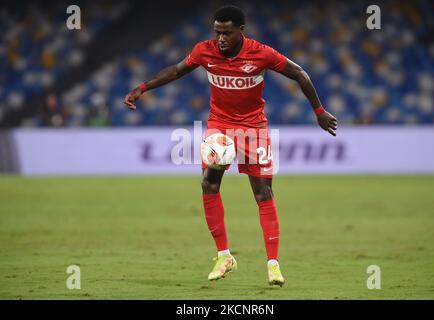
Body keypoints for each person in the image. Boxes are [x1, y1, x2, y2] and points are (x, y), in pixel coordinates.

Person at [124, 5, 337, 287]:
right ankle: (224, 256)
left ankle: (273, 264)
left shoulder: (262, 53)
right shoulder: (204, 50)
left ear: (241, 31)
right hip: (219, 127)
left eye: (226, 33)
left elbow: (301, 74)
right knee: (208, 184)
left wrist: (319, 111)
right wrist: (143, 87)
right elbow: (176, 71)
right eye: (217, 32)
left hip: (253, 128)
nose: (221, 38)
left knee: (263, 193)